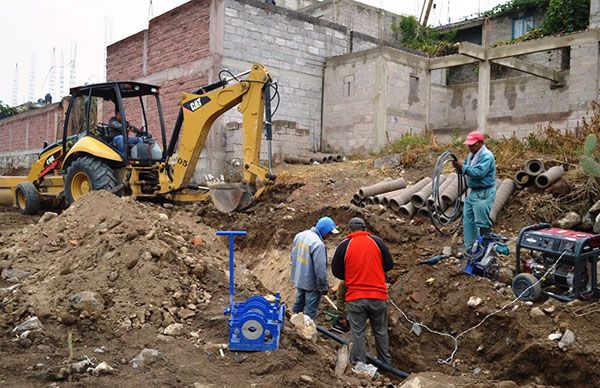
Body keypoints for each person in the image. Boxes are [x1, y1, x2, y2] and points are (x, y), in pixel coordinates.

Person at [332, 217, 393, 366]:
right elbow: (389, 264)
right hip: (378, 297)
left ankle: (359, 367)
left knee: (358, 333)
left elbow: (337, 272)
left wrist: (352, 276)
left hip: (356, 298)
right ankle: (386, 365)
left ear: (349, 230)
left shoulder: (344, 245)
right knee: (380, 331)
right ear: (365, 229)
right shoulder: (377, 242)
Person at [452, 130, 497, 252]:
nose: (470, 147)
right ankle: (470, 248)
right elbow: (467, 167)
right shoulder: (472, 155)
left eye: (472, 145)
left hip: (484, 192)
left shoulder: (487, 155)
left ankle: (485, 249)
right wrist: (461, 168)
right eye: (469, 145)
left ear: (480, 143)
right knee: (468, 220)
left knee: (481, 221)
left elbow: (479, 172)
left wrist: (463, 167)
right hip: (474, 192)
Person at [290, 216, 339, 320]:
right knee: (309, 312)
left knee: (298, 305)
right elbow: (320, 270)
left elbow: (292, 256)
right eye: (329, 233)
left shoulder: (300, 235)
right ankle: (306, 332)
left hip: (299, 279)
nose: (329, 236)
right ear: (324, 230)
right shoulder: (318, 244)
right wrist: (323, 287)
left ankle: (293, 323)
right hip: (311, 284)